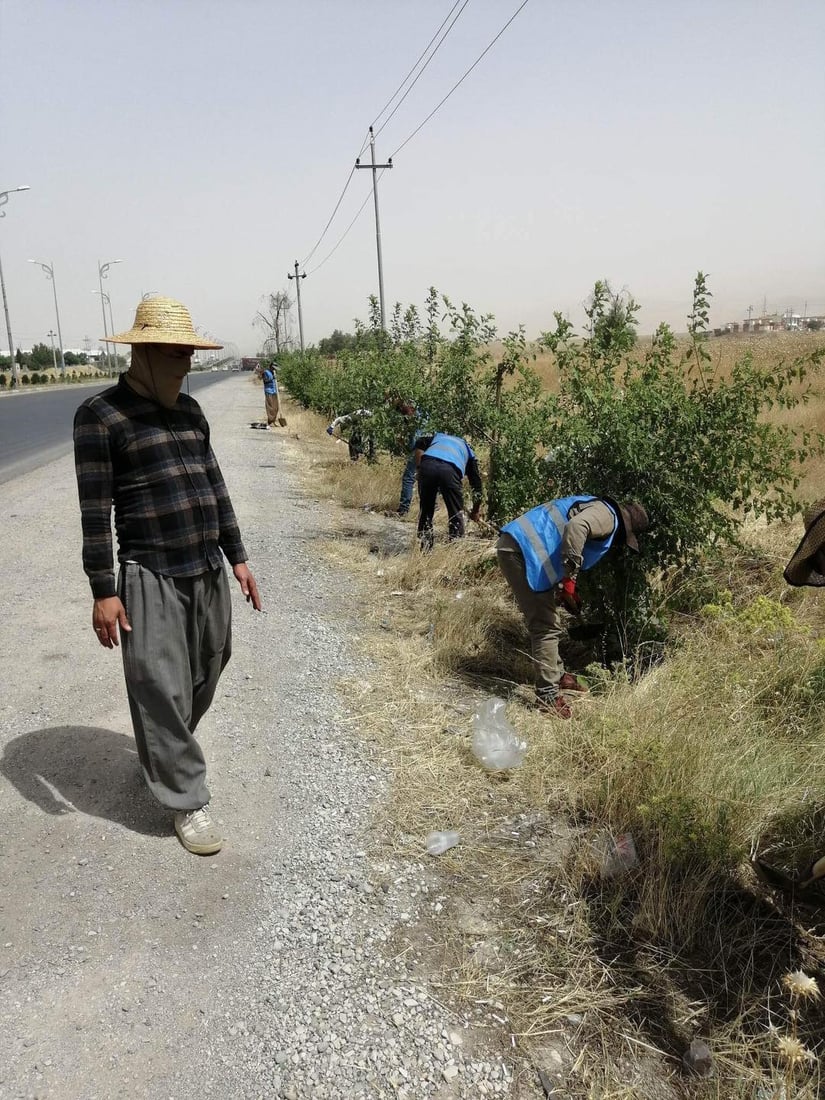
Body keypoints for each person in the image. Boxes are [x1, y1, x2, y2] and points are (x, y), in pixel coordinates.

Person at [73, 296, 262, 856]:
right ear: (145, 352)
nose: (186, 365)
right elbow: (93, 514)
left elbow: (216, 486)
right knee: (158, 684)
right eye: (177, 355)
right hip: (149, 572)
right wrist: (103, 591)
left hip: (204, 567)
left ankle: (162, 751)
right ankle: (185, 798)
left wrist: (239, 558)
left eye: (189, 354)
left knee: (209, 665)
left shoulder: (190, 412)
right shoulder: (101, 416)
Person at [497, 495, 649, 718]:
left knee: (548, 622)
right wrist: (570, 579)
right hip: (520, 552)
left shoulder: (595, 506)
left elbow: (558, 539)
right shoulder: (608, 516)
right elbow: (577, 526)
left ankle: (557, 675)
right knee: (545, 627)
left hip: (520, 549)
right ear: (625, 528)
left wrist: (566, 588)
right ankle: (548, 697)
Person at [414, 432, 483, 548]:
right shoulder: (469, 452)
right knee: (455, 513)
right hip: (449, 471)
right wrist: (475, 511)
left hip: (427, 466)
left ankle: (425, 549)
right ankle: (455, 548)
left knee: (426, 510)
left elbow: (419, 443)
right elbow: (477, 486)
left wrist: (419, 468)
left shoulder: (438, 437)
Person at [260, 360, 284, 428]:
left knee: (276, 407)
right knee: (270, 407)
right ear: (271, 367)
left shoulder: (274, 373)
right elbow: (265, 380)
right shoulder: (266, 372)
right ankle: (270, 421)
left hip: (274, 391)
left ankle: (273, 421)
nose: (275, 370)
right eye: (274, 368)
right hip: (269, 391)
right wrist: (271, 378)